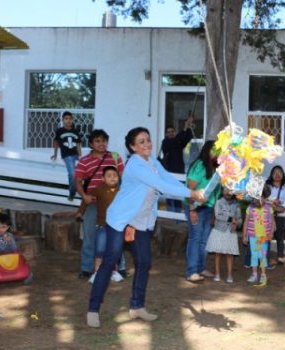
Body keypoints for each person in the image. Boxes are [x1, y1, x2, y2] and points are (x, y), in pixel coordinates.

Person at [87, 127, 205, 327]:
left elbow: (167, 178)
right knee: (110, 261)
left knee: (144, 262)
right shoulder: (135, 165)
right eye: (141, 142)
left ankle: (137, 307)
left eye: (148, 140)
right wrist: (192, 194)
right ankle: (93, 309)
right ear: (132, 147)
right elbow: (163, 186)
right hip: (120, 220)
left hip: (140, 221)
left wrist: (191, 189)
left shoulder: (152, 162)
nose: (147, 144)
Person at [75, 129, 123, 279]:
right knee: (90, 235)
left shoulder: (115, 157)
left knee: (117, 235)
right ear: (91, 144)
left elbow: (124, 177)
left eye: (104, 140)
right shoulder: (84, 161)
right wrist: (84, 196)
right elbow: (77, 181)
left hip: (113, 204)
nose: (101, 144)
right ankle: (87, 268)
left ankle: (120, 268)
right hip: (92, 203)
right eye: (97, 141)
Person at [78, 166, 127, 284]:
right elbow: (87, 199)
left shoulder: (122, 191)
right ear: (103, 179)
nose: (112, 178)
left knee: (114, 250)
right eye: (109, 176)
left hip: (117, 227)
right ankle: (97, 272)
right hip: (102, 225)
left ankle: (114, 271)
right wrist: (80, 212)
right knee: (100, 250)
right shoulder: (98, 189)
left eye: (115, 176)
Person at [184, 140, 221, 282]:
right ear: (207, 150)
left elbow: (215, 192)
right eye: (215, 151)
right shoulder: (200, 165)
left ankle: (200, 268)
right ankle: (191, 271)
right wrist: (192, 210)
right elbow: (190, 188)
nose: (218, 154)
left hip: (207, 208)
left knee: (204, 240)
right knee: (195, 238)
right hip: (195, 207)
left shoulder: (216, 168)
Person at [207, 189, 242, 283]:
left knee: (229, 254)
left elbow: (239, 219)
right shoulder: (218, 202)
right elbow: (218, 215)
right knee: (218, 253)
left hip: (231, 232)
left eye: (230, 191)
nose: (228, 193)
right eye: (226, 190)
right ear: (222, 191)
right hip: (219, 230)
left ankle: (230, 275)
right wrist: (231, 219)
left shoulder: (236, 204)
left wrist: (237, 224)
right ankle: (217, 274)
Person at [243, 185, 275, 286]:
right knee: (254, 255)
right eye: (255, 198)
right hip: (253, 236)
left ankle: (263, 275)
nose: (258, 201)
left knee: (262, 256)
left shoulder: (269, 208)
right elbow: (246, 222)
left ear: (265, 198)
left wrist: (271, 235)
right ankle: (254, 274)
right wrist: (244, 236)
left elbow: (273, 223)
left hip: (264, 237)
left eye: (260, 198)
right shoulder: (250, 208)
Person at [161, 115, 194, 212]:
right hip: (169, 173)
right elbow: (176, 140)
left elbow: (187, 138)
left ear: (175, 132)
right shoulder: (165, 142)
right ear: (166, 134)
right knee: (170, 195)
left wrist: (188, 126)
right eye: (168, 132)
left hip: (179, 172)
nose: (170, 134)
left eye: (172, 132)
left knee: (178, 195)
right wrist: (184, 128)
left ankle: (177, 218)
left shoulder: (178, 141)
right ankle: (171, 214)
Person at [51, 111, 82, 201]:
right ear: (63, 120)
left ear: (72, 120)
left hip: (76, 155)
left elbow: (78, 144)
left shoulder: (75, 131)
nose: (68, 121)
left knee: (80, 174)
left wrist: (80, 156)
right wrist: (55, 154)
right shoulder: (60, 131)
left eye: (70, 119)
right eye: (66, 119)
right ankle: (72, 192)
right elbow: (56, 142)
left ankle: (80, 189)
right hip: (67, 155)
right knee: (72, 174)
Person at [267, 165, 285, 265]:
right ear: (271, 174)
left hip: (281, 215)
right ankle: (266, 256)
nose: (277, 174)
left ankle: (280, 257)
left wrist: (278, 203)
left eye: (279, 172)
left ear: (283, 174)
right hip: (267, 215)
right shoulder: (267, 185)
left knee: (280, 237)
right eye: (275, 172)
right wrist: (272, 202)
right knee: (268, 236)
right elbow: (263, 198)